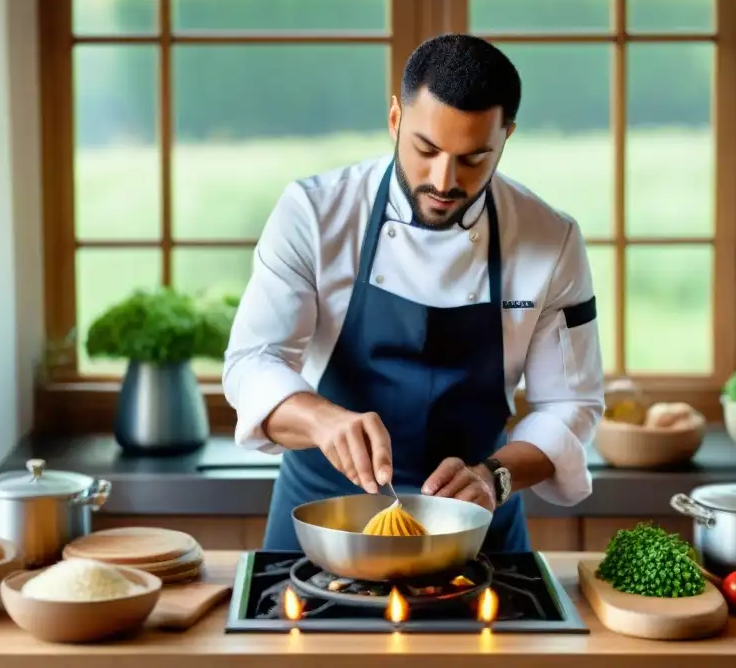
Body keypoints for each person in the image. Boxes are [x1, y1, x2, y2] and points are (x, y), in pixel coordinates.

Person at [222, 33, 605, 553]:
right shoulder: (314, 214)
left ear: (507, 136)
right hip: (321, 521)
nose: (444, 180)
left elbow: (570, 404)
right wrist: (321, 419)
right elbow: (250, 363)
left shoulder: (551, 240)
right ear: (396, 119)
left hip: (475, 526)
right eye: (426, 150)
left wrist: (495, 477)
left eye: (473, 158)